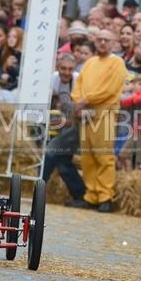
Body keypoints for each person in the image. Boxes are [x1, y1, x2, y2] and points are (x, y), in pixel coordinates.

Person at [70, 29, 127, 212]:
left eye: (106, 40)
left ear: (113, 43)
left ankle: (105, 196)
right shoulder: (90, 62)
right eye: (100, 39)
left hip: (105, 113)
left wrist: (87, 100)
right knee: (87, 156)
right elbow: (78, 85)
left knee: (103, 155)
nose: (102, 42)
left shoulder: (117, 63)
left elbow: (111, 90)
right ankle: (91, 195)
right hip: (86, 114)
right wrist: (77, 101)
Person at [43, 54, 86, 207]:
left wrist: (65, 122)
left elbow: (82, 110)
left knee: (51, 152)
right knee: (63, 162)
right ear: (57, 68)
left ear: (74, 69)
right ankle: (81, 194)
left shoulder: (79, 80)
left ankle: (38, 189)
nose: (66, 72)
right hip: (61, 122)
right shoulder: (52, 79)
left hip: (78, 124)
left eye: (70, 69)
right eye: (63, 68)